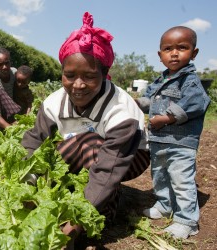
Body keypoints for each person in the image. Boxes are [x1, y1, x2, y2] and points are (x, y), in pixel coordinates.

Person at [21, 12, 149, 248]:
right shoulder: (52, 103)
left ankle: (101, 215)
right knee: (57, 152)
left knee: (89, 143)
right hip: (82, 145)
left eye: (90, 77)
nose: (78, 85)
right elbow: (33, 143)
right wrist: (21, 187)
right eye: (69, 76)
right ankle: (79, 194)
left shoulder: (121, 111)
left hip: (129, 157)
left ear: (104, 75)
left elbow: (108, 168)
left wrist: (75, 222)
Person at [136, 26, 211, 239]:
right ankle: (165, 205)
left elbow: (196, 103)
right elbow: (149, 98)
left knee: (181, 180)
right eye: (168, 49)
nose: (175, 53)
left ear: (194, 53)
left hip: (181, 142)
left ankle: (187, 221)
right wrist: (137, 103)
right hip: (159, 140)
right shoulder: (160, 80)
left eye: (182, 47)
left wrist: (166, 118)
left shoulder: (190, 81)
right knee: (160, 176)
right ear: (160, 55)